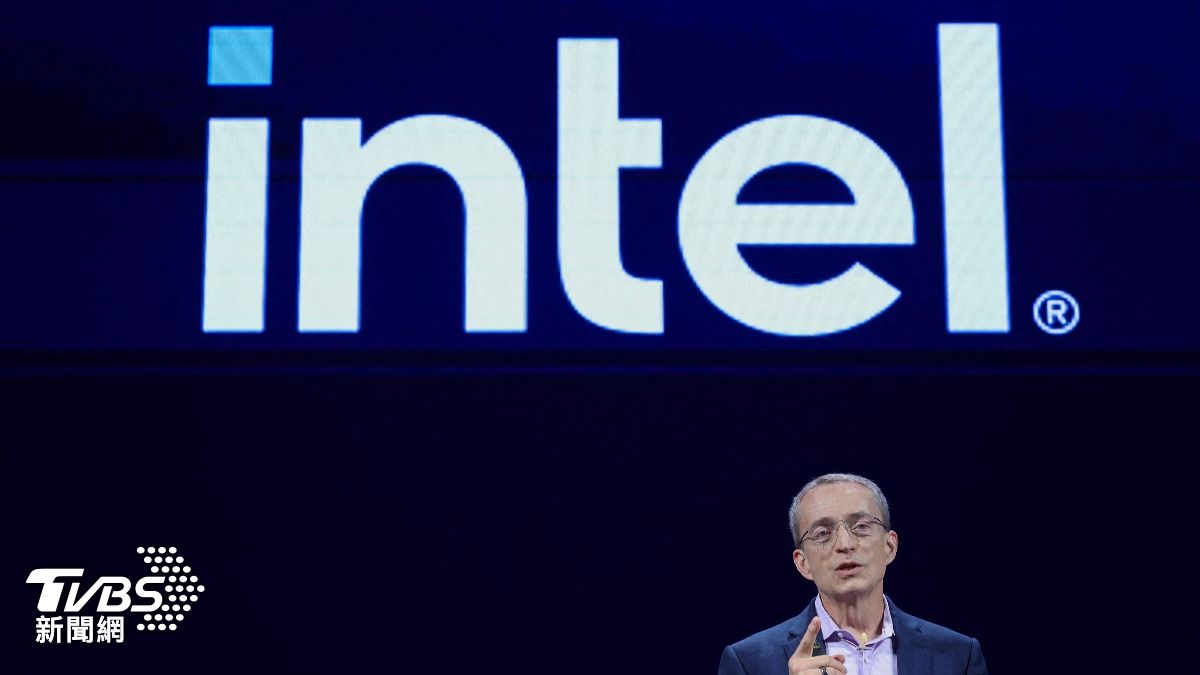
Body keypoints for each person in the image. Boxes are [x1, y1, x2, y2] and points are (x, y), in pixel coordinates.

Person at [717, 473, 987, 675]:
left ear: (889, 546)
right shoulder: (748, 663)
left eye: (861, 526)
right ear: (803, 563)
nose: (845, 544)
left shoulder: (957, 656)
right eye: (822, 533)